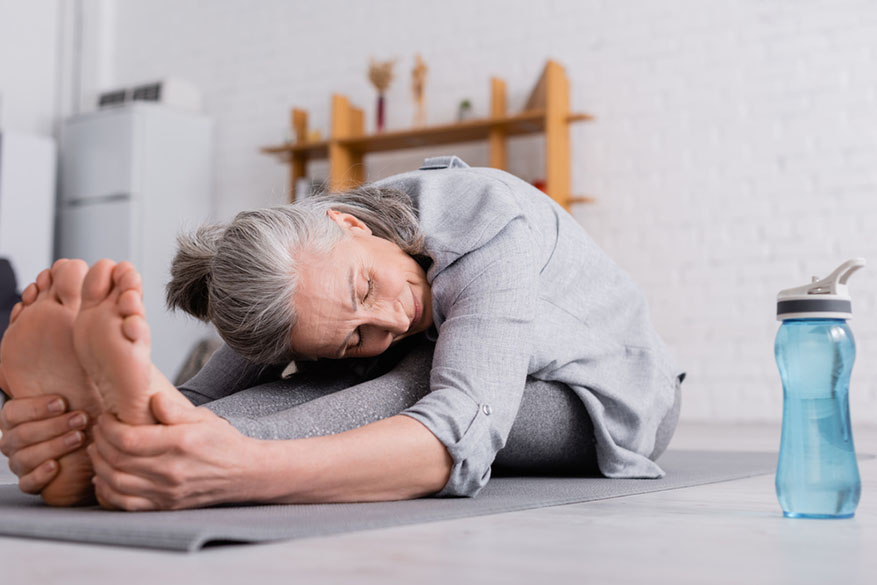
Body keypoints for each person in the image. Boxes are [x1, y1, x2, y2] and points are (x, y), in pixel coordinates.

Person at [0, 156, 683, 510]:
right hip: (458, 376)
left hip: (602, 402)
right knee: (335, 366)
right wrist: (93, 431)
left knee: (409, 370)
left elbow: (461, 427)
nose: (386, 319)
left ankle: (179, 451)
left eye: (364, 288)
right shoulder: (310, 255)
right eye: (354, 329)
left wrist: (237, 470)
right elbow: (217, 383)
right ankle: (127, 450)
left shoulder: (485, 223)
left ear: (350, 226)